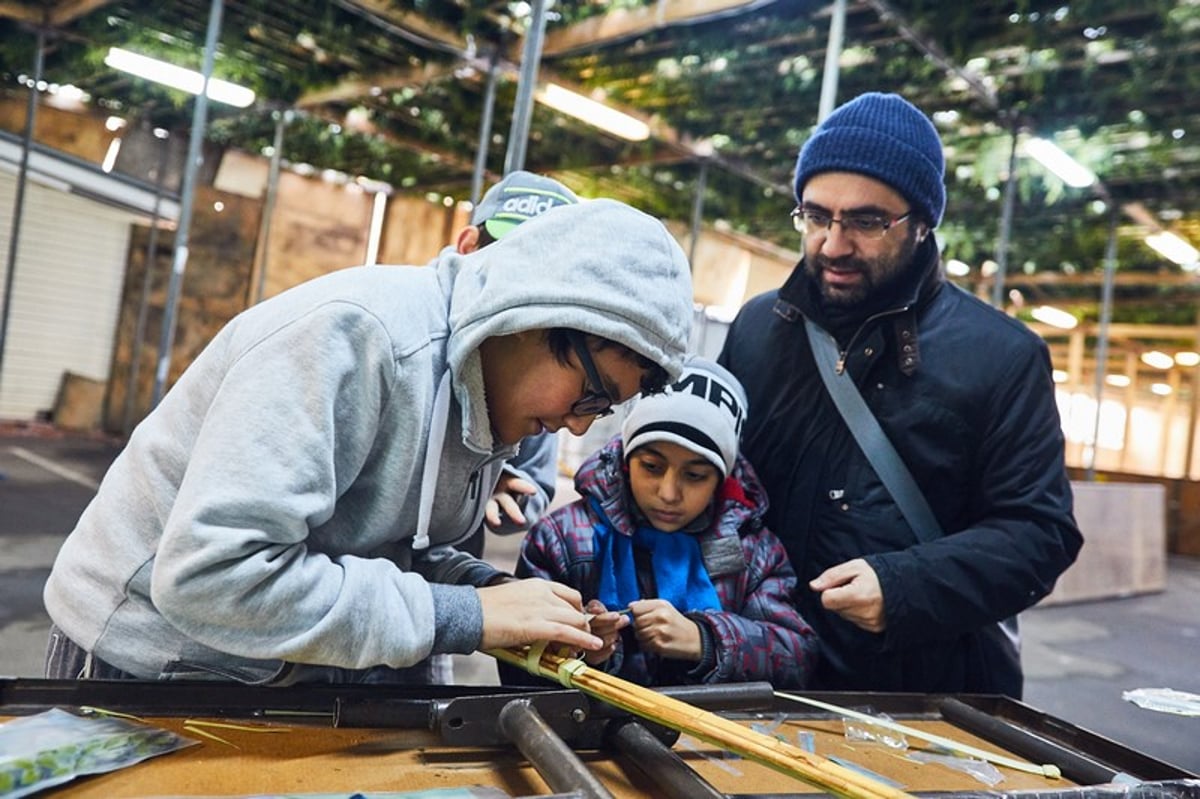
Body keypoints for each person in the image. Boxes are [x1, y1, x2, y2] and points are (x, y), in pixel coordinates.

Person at [42, 197, 695, 685]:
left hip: (271, 664)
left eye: (604, 409)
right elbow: (209, 576)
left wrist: (495, 597)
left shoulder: (485, 392)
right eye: (589, 392)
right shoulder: (353, 341)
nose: (580, 424)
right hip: (147, 660)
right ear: (536, 316)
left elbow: (372, 543)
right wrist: (463, 614)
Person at [717, 92, 1082, 698]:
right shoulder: (758, 329)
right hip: (757, 672)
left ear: (921, 224)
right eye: (816, 216)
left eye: (866, 221)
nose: (833, 244)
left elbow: (1040, 534)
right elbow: (710, 468)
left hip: (917, 699)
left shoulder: (1003, 356)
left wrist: (904, 586)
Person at [501, 357, 817, 688]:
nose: (669, 493)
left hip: (709, 737)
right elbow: (514, 667)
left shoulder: (754, 552)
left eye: (695, 475)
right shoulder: (562, 540)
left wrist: (706, 641)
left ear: (722, 479)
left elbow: (798, 658)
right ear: (625, 460)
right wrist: (576, 650)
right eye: (651, 466)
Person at [452, 171, 580, 555]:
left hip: (452, 562)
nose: (522, 286)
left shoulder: (540, 370)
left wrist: (493, 485)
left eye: (545, 270)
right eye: (512, 258)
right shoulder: (401, 341)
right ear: (468, 246)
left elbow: (534, 487)